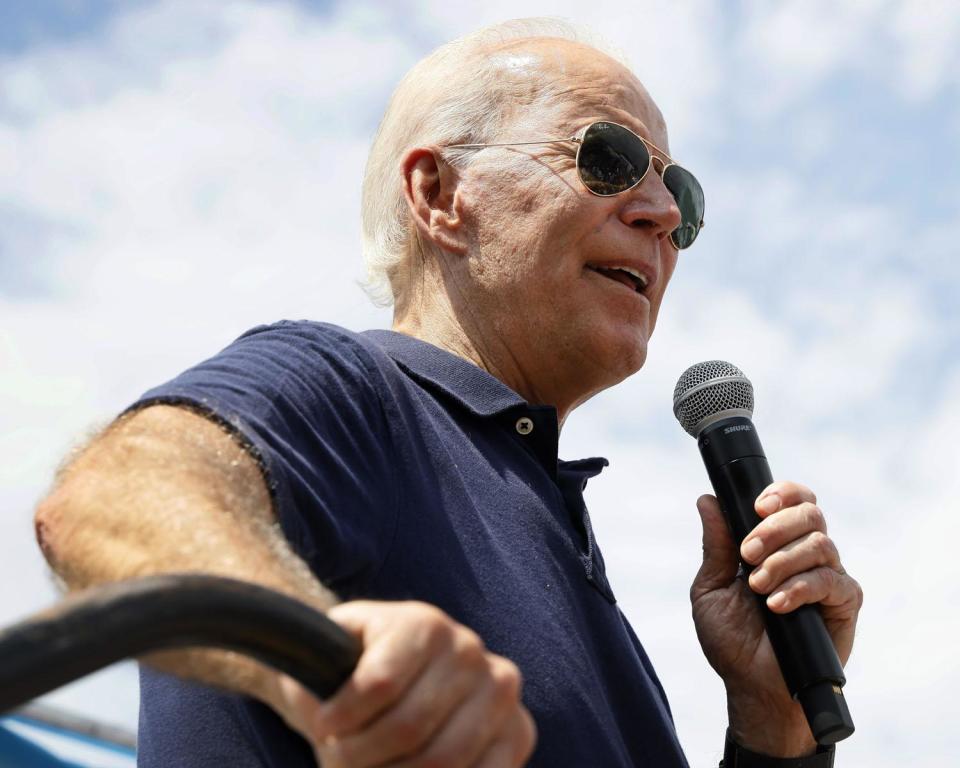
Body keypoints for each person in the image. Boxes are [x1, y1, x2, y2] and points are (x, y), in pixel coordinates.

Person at [33, 19, 863, 768]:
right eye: (606, 158)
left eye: (680, 196)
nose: (657, 214)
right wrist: (316, 654)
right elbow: (112, 497)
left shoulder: (560, 532)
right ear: (438, 196)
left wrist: (772, 727)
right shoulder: (348, 389)